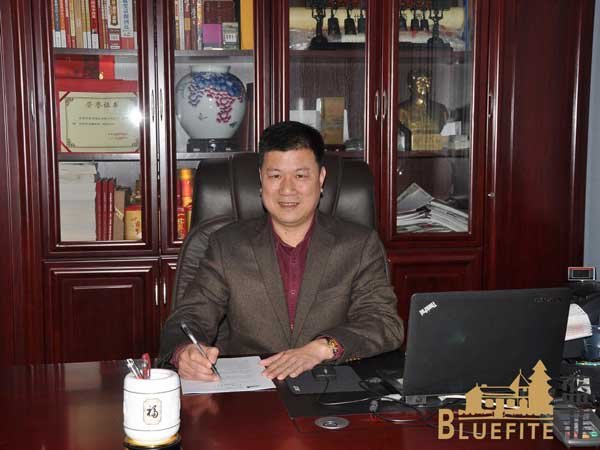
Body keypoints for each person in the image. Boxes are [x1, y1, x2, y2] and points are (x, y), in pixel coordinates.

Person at [158, 121, 404, 381]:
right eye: (275, 176)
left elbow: (383, 322)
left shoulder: (359, 244)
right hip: (253, 387)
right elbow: (191, 316)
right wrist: (185, 353)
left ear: (321, 178)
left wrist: (322, 348)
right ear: (261, 179)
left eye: (300, 176)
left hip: (329, 383)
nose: (287, 189)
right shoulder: (226, 245)